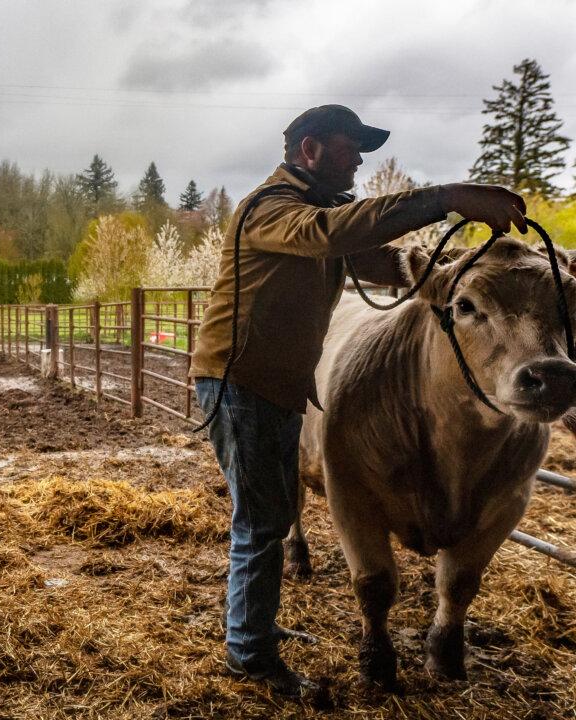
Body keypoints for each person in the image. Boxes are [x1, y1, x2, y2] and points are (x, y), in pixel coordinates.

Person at [188, 105, 526, 697]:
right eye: (352, 149)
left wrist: (456, 273)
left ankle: (254, 627)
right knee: (263, 521)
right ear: (310, 149)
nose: (360, 160)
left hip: (273, 382)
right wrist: (447, 196)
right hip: (241, 381)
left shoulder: (322, 213)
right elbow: (332, 238)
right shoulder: (272, 209)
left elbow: (382, 260)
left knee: (268, 513)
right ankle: (249, 653)